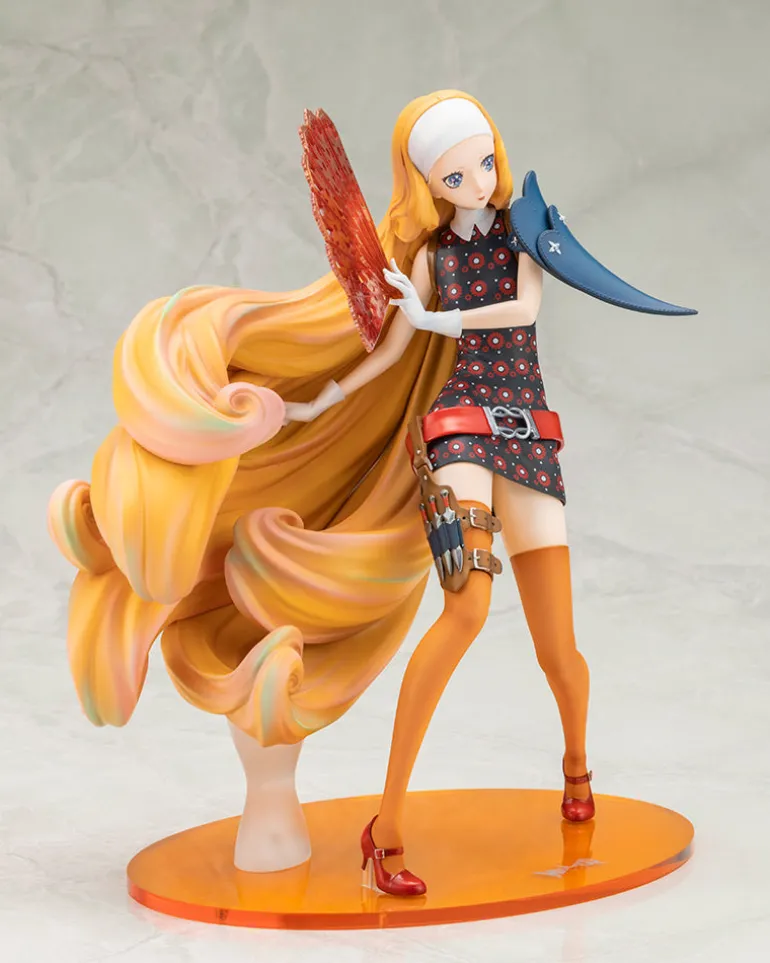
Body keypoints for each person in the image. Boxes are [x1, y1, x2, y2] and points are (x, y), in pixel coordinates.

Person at [283, 92, 593, 897]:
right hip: (458, 427)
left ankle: (576, 760)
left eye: (484, 162)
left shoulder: (524, 234)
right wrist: (318, 403)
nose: (477, 180)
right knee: (464, 609)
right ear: (427, 182)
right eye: (456, 174)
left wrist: (437, 319)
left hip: (528, 429)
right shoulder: (428, 260)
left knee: (558, 648)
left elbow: (524, 306)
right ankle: (385, 825)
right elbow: (390, 351)